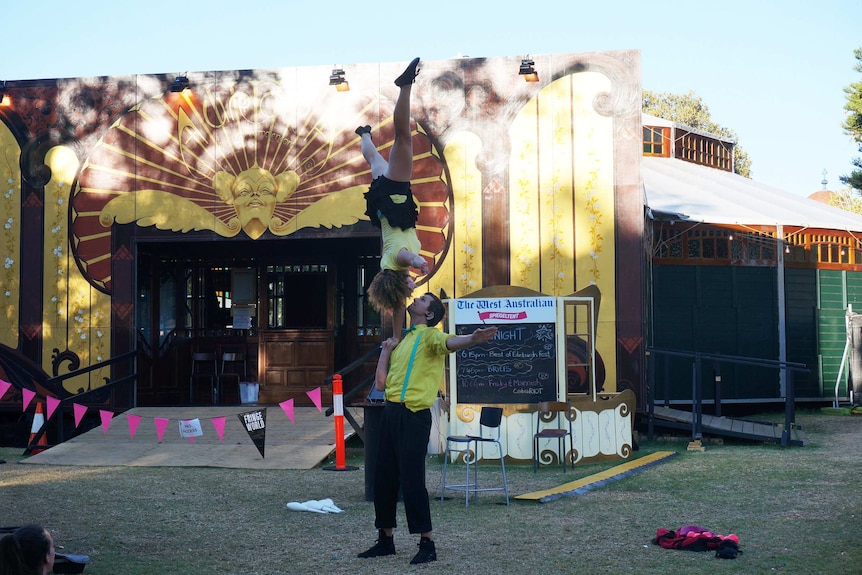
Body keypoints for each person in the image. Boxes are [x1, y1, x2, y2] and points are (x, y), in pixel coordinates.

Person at [357, 292, 498, 565]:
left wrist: (472, 339)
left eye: (422, 300)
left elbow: (450, 342)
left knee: (411, 480)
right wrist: (385, 351)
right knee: (383, 478)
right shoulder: (405, 338)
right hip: (390, 412)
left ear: (429, 314)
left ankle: (427, 543)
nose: (415, 299)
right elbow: (382, 383)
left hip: (413, 416)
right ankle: (385, 540)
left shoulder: (430, 336)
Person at [358, 57, 430, 338]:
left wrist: (420, 262)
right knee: (374, 158)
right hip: (381, 200)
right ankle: (364, 134)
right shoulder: (389, 268)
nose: (414, 290)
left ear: (402, 282)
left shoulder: (398, 261)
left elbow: (408, 256)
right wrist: (397, 337)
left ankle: (405, 87)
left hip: (394, 193)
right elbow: (399, 308)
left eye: (409, 289)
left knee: (404, 139)